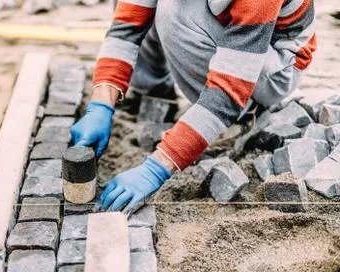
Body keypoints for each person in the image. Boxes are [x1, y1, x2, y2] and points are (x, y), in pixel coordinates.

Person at [71, 0, 317, 214]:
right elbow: (127, 26)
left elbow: (227, 91)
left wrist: (156, 168)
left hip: (277, 63)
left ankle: (243, 114)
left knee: (174, 12)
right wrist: (101, 103)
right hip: (233, 32)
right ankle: (154, 89)